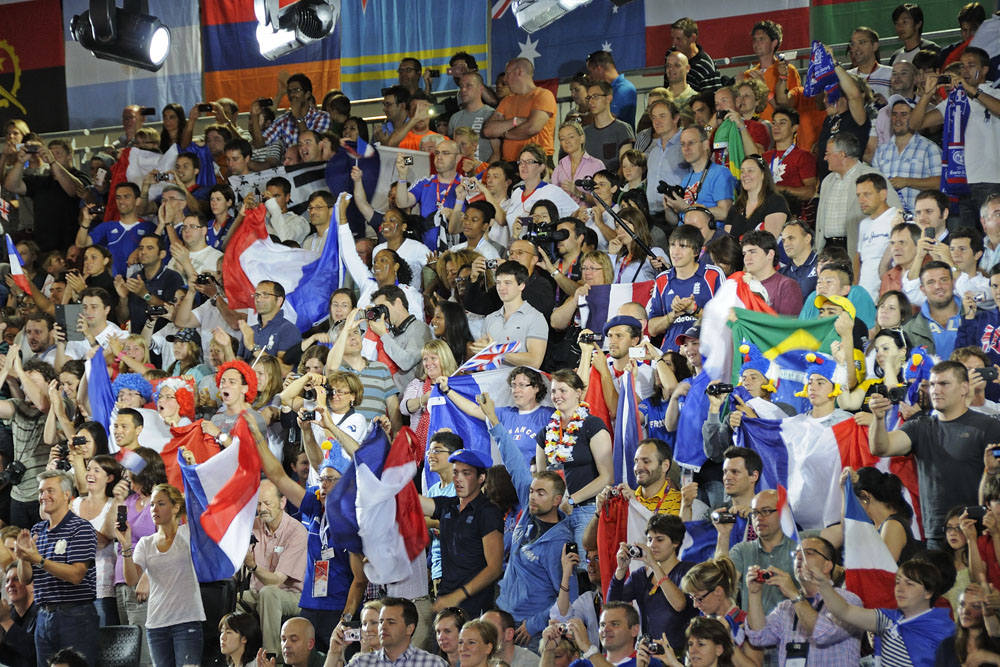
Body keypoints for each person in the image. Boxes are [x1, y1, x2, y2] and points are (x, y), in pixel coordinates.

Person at [246, 417, 366, 654]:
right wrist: (259, 439)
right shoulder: (315, 506)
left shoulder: (352, 519)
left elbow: (360, 579)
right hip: (310, 605)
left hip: (339, 607)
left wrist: (346, 618)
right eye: (322, 479)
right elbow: (279, 477)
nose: (324, 484)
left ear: (347, 484)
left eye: (331, 479)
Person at [870, 360, 1000, 549]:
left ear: (965, 388)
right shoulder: (919, 427)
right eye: (932, 384)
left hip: (980, 532)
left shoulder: (989, 426)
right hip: (937, 534)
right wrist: (878, 419)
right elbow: (882, 447)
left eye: (944, 384)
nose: (935, 390)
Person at [116, 482, 205, 667]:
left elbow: (203, 511)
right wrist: (125, 547)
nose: (154, 509)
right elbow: (132, 579)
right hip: (156, 623)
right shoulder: (145, 543)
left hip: (186, 620)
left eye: (161, 504)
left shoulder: (189, 533)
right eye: (152, 505)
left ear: (176, 507)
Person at [15, 470, 98, 667]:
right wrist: (23, 557)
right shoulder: (37, 530)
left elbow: (77, 575)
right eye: (41, 491)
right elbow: (25, 579)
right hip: (43, 615)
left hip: (75, 615)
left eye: (50, 490)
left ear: (67, 495)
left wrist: (40, 560)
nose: (43, 496)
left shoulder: (81, 528)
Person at [910, 47, 1000, 228]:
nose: (965, 70)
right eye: (962, 66)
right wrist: (927, 94)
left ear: (984, 70)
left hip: (990, 182)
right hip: (958, 183)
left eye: (971, 65)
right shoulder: (955, 100)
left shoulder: (995, 93)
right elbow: (915, 124)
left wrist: (972, 91)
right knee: (960, 240)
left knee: (995, 236)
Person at [806, 557, 954, 665]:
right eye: (897, 582)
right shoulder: (887, 618)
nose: (899, 589)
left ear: (928, 592)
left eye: (909, 584)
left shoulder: (946, 630)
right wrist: (823, 584)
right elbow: (844, 611)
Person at [744, 537, 864, 665]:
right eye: (796, 554)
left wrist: (795, 595)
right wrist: (754, 593)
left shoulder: (849, 601)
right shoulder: (786, 607)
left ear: (827, 566)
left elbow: (824, 634)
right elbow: (759, 637)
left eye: (809, 552)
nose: (799, 557)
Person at [418, 448, 503, 617]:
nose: (459, 479)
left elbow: (494, 568)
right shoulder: (448, 505)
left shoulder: (487, 512)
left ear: (481, 478)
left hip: (473, 604)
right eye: (455, 473)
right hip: (445, 600)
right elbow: (414, 502)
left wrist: (458, 595)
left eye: (466, 473)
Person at [535, 369, 613, 553]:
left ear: (578, 392)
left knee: (585, 571)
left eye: (563, 390)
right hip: (554, 515)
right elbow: (541, 478)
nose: (557, 396)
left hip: (586, 510)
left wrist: (570, 501)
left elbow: (607, 477)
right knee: (559, 569)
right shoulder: (546, 433)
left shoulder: (593, 426)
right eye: (554, 391)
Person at [239, 479, 309, 658]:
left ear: (282, 503)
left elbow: (277, 581)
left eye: (267, 503)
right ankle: (236, 657)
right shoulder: (252, 526)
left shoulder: (297, 532)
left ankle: (272, 657)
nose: (262, 508)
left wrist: (252, 565)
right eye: (259, 503)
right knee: (229, 598)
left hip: (291, 596)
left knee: (269, 593)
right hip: (257, 593)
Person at [608, 514, 697, 649]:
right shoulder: (640, 576)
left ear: (675, 543)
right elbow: (611, 606)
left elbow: (679, 604)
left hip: (680, 653)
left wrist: (654, 565)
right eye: (649, 540)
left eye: (659, 540)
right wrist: (621, 569)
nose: (652, 545)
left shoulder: (688, 571)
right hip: (650, 653)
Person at [815, 133, 903, 255]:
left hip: (857, 248)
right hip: (828, 248)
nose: (825, 158)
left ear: (841, 154)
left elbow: (895, 211)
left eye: (827, 154)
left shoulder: (871, 177)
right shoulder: (827, 181)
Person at [648, 225, 725, 351]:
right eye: (673, 245)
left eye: (683, 246)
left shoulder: (713, 274)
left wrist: (693, 310)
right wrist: (673, 315)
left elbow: (725, 321)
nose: (675, 252)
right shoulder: (663, 279)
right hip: (671, 354)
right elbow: (652, 329)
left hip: (706, 351)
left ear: (696, 252)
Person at [721, 489, 796, 616]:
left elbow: (840, 531)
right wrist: (723, 534)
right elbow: (721, 587)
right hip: (754, 632)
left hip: (795, 631)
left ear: (783, 513)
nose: (759, 518)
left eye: (766, 511)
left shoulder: (803, 544)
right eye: (754, 513)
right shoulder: (742, 550)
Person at [70, 454, 122, 627]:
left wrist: (76, 529)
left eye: (96, 470)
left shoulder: (114, 504)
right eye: (89, 469)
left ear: (109, 478)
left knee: (104, 643)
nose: (90, 473)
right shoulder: (75, 503)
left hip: (102, 585)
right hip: (74, 587)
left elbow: (103, 542)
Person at [679, 558, 760, 665]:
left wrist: (727, 638)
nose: (695, 605)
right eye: (692, 598)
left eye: (699, 598)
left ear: (718, 591)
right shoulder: (697, 625)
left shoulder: (748, 622)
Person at [326, 597, 447, 667]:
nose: (383, 627)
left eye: (391, 622)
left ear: (409, 628)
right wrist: (334, 653)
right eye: (381, 621)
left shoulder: (432, 664)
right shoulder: (361, 662)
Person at [470, 261, 548, 369]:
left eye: (507, 283)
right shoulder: (490, 318)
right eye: (498, 282)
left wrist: (496, 351)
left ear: (521, 285)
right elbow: (483, 356)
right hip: (491, 382)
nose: (501, 288)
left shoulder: (536, 318)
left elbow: (535, 361)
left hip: (519, 383)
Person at [872, 97, 942, 213]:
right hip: (888, 219)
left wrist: (907, 182)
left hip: (919, 219)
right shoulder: (881, 151)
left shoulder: (929, 148)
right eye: (894, 114)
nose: (898, 119)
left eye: (904, 114)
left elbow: (940, 183)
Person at [483, 58, 558, 161]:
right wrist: (516, 121)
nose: (505, 79)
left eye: (507, 74)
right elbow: (488, 130)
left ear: (519, 72)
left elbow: (532, 127)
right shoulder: (507, 100)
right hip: (510, 165)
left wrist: (505, 134)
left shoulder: (543, 95)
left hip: (536, 164)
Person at [662, 127, 735, 225]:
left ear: (705, 145)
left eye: (691, 143)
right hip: (685, 236)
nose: (686, 148)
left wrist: (687, 208)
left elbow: (724, 213)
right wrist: (669, 209)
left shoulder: (720, 173)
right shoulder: (686, 179)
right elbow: (675, 221)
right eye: (682, 144)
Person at [368, 285, 434, 393]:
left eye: (382, 307)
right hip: (390, 399)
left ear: (398, 302)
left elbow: (406, 362)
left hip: (411, 401)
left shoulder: (420, 328)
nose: (382, 313)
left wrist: (383, 335)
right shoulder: (390, 333)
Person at [900, 261, 962, 358]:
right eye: (930, 282)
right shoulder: (909, 329)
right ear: (922, 289)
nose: (938, 286)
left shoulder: (977, 317)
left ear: (953, 283)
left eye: (944, 280)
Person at [724, 155, 789, 240]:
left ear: (763, 174)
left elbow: (769, 241)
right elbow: (728, 244)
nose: (744, 175)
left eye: (750, 171)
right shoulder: (736, 207)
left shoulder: (776, 202)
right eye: (742, 171)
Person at [740, 230, 802, 315]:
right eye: (744, 254)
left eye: (753, 252)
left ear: (770, 254)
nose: (747, 258)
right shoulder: (741, 285)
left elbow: (788, 326)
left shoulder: (787, 287)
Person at [583, 80, 635, 173]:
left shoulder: (622, 129)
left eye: (595, 96)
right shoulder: (585, 132)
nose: (591, 101)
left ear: (608, 98)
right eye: (588, 97)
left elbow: (625, 166)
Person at [553, 123, 604, 205]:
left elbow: (603, 200)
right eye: (562, 139)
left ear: (581, 138)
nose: (567, 141)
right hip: (565, 216)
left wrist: (579, 193)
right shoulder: (559, 167)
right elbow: (553, 197)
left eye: (571, 137)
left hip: (589, 216)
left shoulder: (596, 165)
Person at [0, 562, 38, 667]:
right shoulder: (8, 612)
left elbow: (36, 653)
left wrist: (5, 621)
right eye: (7, 581)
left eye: (16, 579)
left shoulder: (44, 613)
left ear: (33, 584)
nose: (10, 585)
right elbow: (7, 658)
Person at [669, 18, 722, 93]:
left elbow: (711, 101)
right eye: (673, 38)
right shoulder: (671, 55)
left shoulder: (706, 68)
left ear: (692, 38)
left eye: (678, 39)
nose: (673, 43)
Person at [847, 27, 893, 102]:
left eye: (861, 42)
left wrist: (886, 105)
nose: (856, 48)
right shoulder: (847, 76)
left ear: (874, 46)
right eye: (853, 44)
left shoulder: (891, 74)